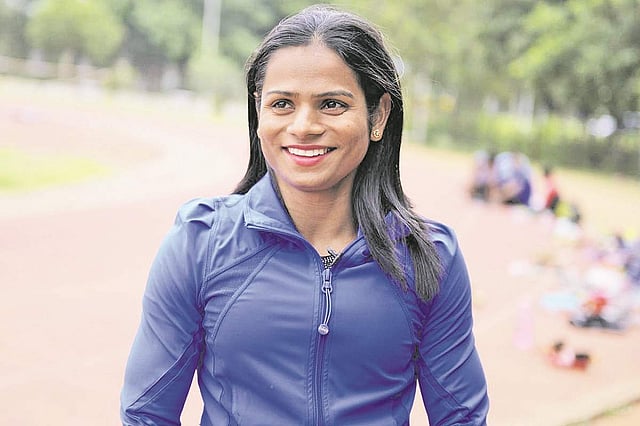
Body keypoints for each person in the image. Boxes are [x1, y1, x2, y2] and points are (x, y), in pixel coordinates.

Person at [120, 5, 489, 425]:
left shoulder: (429, 257)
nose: (303, 126)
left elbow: (461, 419)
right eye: (282, 104)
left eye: (331, 104)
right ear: (259, 112)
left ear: (379, 115)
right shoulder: (200, 243)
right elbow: (145, 414)